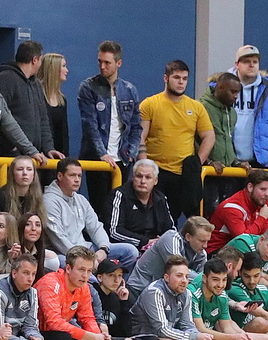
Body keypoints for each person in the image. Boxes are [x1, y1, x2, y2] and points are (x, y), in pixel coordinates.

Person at [137, 59, 214, 217]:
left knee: (189, 218)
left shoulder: (196, 107)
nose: (181, 82)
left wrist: (197, 162)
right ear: (166, 78)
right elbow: (140, 136)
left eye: (184, 79)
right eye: (177, 78)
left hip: (184, 174)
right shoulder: (149, 104)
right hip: (158, 172)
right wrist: (146, 166)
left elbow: (209, 136)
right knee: (154, 219)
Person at [78, 40, 143, 219]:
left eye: (107, 63)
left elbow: (136, 126)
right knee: (100, 209)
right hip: (97, 159)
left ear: (118, 63)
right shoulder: (88, 87)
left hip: (122, 158)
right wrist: (102, 154)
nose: (102, 66)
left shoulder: (129, 90)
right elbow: (89, 125)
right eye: (100, 61)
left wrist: (131, 152)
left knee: (120, 209)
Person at [44, 158, 138, 272]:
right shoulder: (49, 201)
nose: (77, 180)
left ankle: (118, 282)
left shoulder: (80, 199)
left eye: (79, 176)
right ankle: (96, 281)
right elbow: (58, 239)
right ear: (60, 176)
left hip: (86, 250)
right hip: (64, 254)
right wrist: (86, 260)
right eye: (72, 175)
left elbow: (95, 227)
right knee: (74, 268)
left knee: (130, 251)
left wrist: (103, 248)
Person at [0, 41, 64, 160]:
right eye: (40, 60)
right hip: (11, 157)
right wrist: (10, 147)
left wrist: (49, 148)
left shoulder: (36, 85)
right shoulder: (5, 80)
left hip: (35, 155)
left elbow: (43, 120)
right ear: (35, 60)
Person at [228, 45, 268, 170]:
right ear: (237, 64)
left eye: (255, 62)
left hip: (257, 162)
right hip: (228, 161)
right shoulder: (221, 86)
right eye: (246, 61)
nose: (251, 65)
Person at [126, 216, 212, 298]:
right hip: (139, 290)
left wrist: (208, 280)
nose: (205, 246)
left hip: (165, 295)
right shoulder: (171, 238)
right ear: (188, 237)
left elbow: (202, 278)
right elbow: (178, 269)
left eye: (207, 241)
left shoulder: (200, 253)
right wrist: (209, 280)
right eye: (202, 241)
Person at [107, 159, 174, 252]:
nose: (143, 181)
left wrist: (162, 241)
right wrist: (146, 242)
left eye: (148, 177)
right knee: (132, 251)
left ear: (155, 181)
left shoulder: (161, 199)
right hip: (127, 249)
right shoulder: (120, 195)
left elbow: (170, 229)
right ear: (133, 177)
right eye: (139, 176)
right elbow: (114, 231)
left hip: (154, 248)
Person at [207, 169, 268, 254]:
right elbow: (243, 240)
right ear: (250, 187)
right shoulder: (232, 207)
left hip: (236, 251)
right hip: (217, 252)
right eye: (263, 189)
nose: (267, 194)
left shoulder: (259, 203)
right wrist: (262, 218)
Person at [0, 155, 49, 223]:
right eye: (20, 169)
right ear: (12, 174)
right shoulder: (0, 197)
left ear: (34, 174)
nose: (25, 173)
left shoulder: (38, 196)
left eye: (29, 169)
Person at [39, 52, 70, 157]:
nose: (67, 70)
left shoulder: (62, 99)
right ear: (54, 69)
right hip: (41, 156)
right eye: (63, 66)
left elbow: (64, 134)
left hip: (59, 155)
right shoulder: (38, 96)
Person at [16, 211, 59, 280]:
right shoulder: (14, 250)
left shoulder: (40, 251)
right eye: (28, 224)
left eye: (38, 225)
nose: (33, 228)